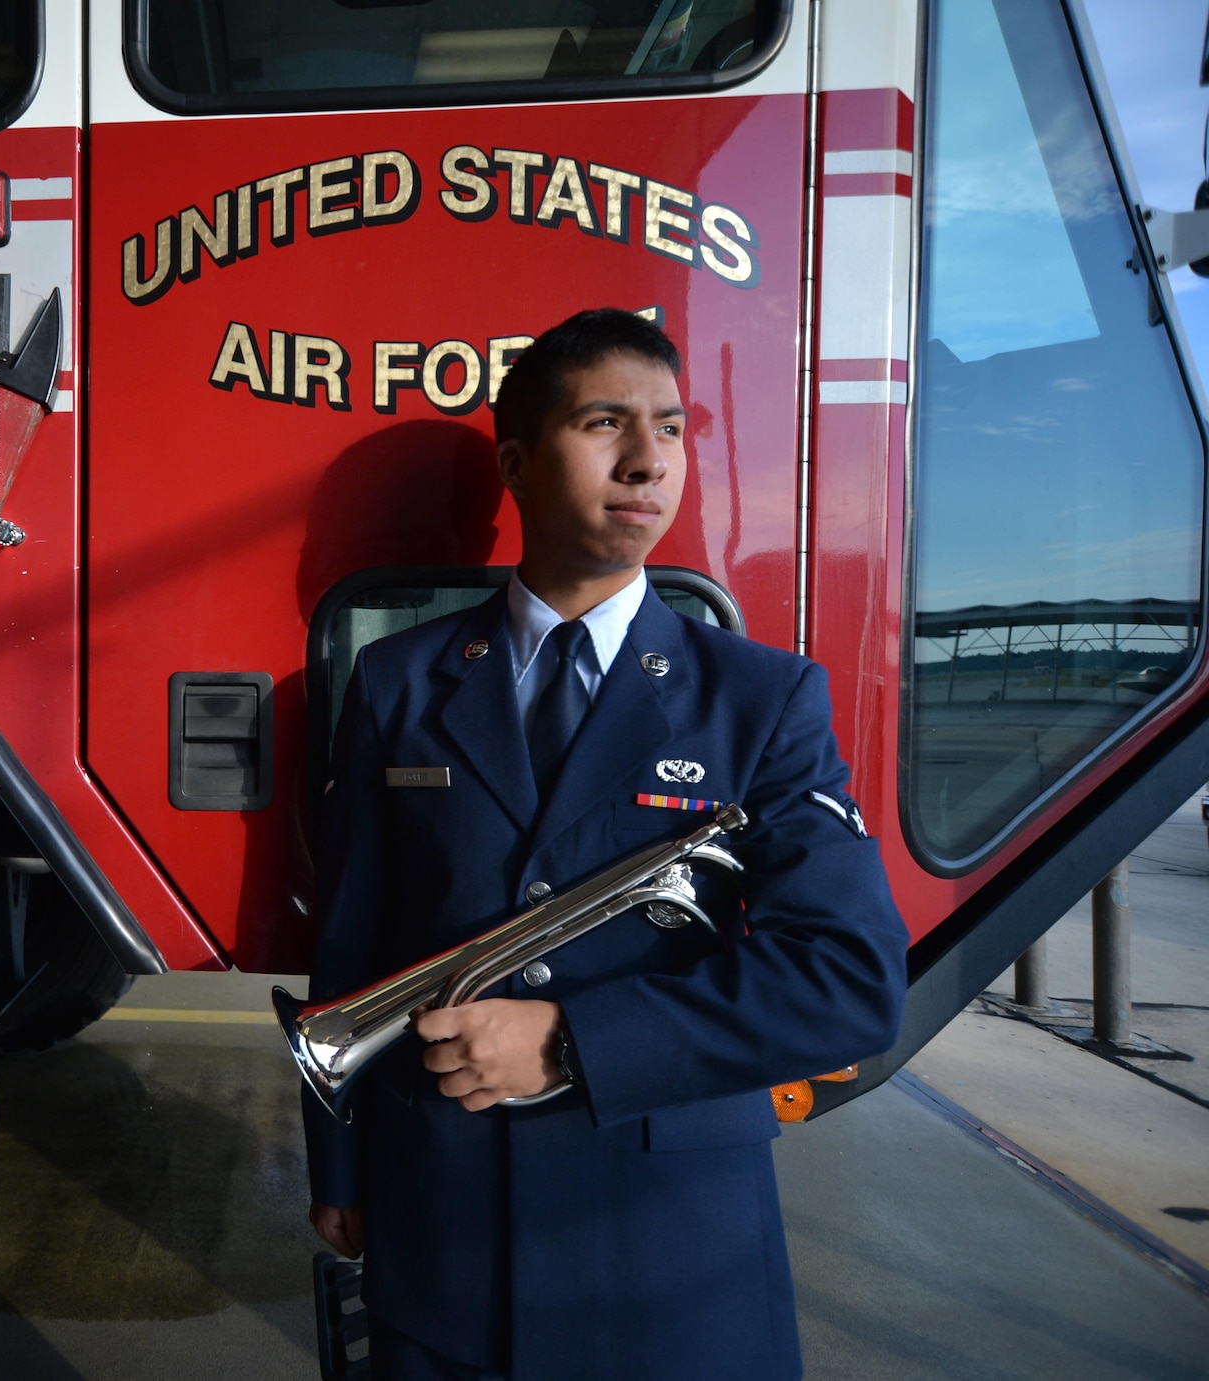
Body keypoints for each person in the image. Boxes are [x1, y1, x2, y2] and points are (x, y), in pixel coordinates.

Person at [301, 308, 909, 1380]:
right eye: (604, 422)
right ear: (519, 463)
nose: (647, 459)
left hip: (672, 1255)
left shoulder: (760, 699)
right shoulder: (397, 683)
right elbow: (357, 947)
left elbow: (847, 980)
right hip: (445, 1235)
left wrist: (572, 1040)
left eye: (670, 428)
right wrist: (339, 1163)